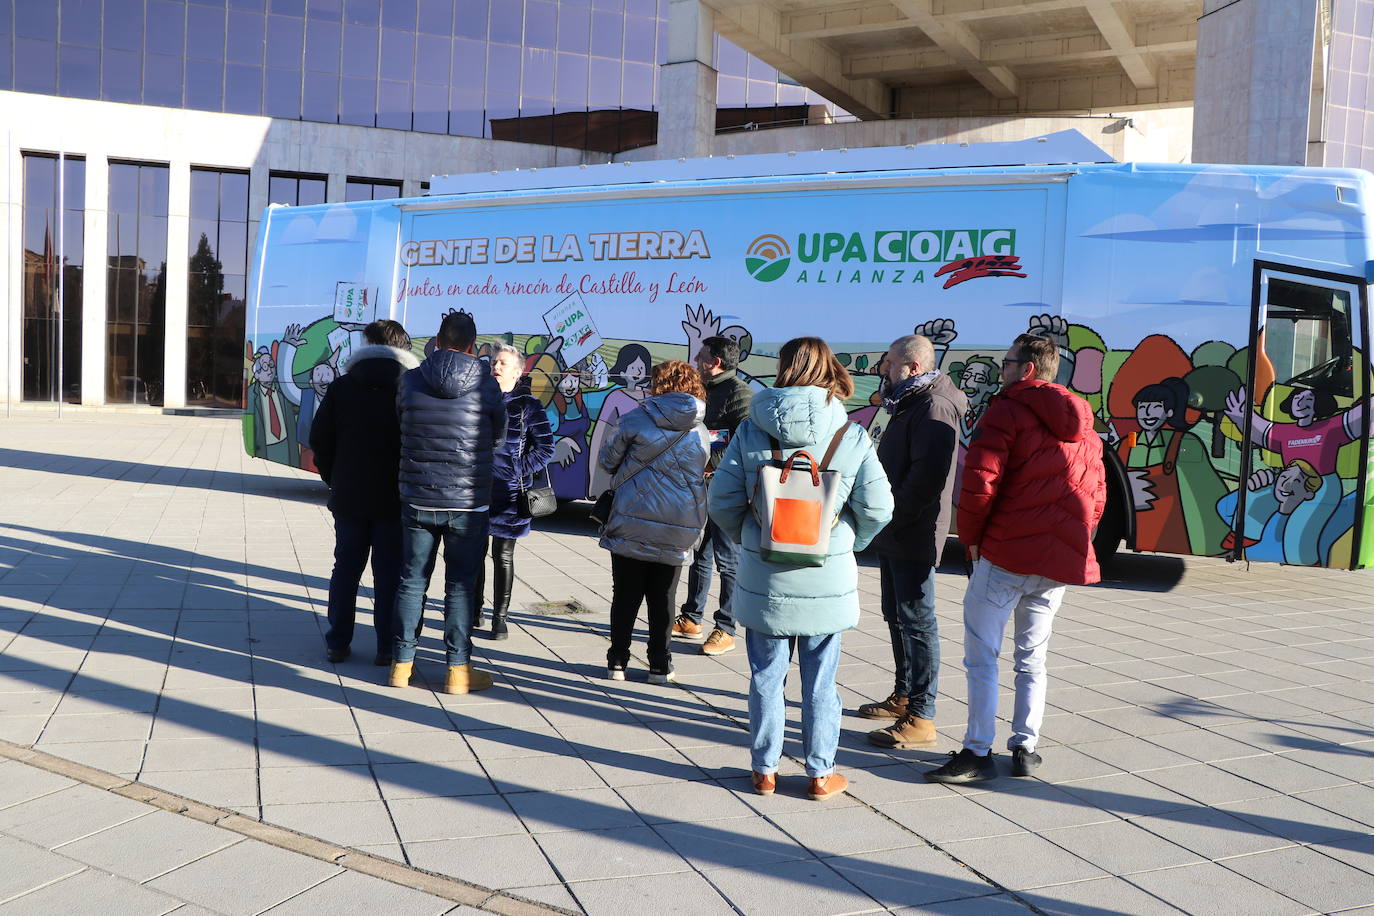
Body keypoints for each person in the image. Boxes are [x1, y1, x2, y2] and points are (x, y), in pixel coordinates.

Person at [709, 337, 893, 801]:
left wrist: (752, 538)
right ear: (830, 369)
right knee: (821, 681)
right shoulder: (849, 434)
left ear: (783, 369)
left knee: (766, 677)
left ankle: (764, 770)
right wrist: (845, 541)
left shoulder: (751, 431)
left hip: (763, 576)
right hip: (825, 577)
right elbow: (878, 507)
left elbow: (721, 501)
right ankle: (819, 774)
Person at [927, 333, 1105, 784]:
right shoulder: (1085, 420)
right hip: (1056, 564)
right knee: (1032, 657)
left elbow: (980, 483)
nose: (1001, 370)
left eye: (1006, 363)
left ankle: (976, 751)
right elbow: (1097, 494)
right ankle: (1025, 747)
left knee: (982, 656)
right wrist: (1078, 538)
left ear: (1026, 369)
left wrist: (970, 540)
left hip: (1006, 554)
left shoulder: (1007, 409)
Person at [389, 311, 506, 695]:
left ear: (437, 341)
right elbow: (498, 438)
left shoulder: (409, 380)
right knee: (459, 585)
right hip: (468, 501)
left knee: (411, 580)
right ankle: (457, 672)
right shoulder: (487, 385)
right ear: (474, 346)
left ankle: (401, 665)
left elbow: (401, 423)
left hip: (417, 497)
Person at [862, 334, 966, 749]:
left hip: (912, 530)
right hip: (895, 528)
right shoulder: (910, 401)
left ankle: (922, 716)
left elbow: (927, 479)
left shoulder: (933, 405)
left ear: (914, 368)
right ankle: (904, 696)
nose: (884, 370)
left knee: (918, 621)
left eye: (890, 364)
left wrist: (893, 515)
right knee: (896, 614)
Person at [310, 319, 420, 666]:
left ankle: (338, 642)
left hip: (349, 496)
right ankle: (387, 648)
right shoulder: (410, 387)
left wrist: (335, 478)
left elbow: (319, 441)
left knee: (345, 570)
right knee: (388, 575)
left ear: (368, 344)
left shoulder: (342, 387)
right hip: (395, 498)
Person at [598, 360, 710, 684]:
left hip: (631, 518)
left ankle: (617, 661)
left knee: (625, 595)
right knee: (664, 597)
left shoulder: (634, 419)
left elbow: (607, 461)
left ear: (658, 385)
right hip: (679, 524)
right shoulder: (700, 431)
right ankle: (660, 665)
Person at [672, 335, 753, 656]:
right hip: (700, 488)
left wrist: (710, 463)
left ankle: (726, 627)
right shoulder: (704, 390)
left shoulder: (740, 394)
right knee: (700, 554)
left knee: (728, 560)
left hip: (726, 488)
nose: (695, 362)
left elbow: (744, 440)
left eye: (700, 356)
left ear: (715, 362)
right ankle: (692, 617)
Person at [474, 344, 555, 639]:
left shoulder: (528, 405)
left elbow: (546, 448)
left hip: (510, 494)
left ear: (518, 371)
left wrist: (516, 469)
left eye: (503, 363)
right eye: (494, 361)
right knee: (475, 552)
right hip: (477, 490)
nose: (496, 366)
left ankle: (500, 618)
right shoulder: (478, 398)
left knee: (503, 555)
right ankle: (475, 609)